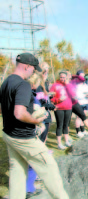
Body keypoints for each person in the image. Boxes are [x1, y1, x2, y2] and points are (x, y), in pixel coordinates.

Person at [0, 53, 69, 199]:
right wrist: (36, 120)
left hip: (9, 134)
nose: (33, 72)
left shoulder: (6, 81)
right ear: (26, 66)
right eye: (33, 68)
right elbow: (19, 113)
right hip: (23, 138)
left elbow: (3, 108)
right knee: (49, 167)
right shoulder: (23, 84)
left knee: (17, 171)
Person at [50, 71, 73, 150]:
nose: (62, 79)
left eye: (64, 77)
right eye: (61, 77)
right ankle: (59, 143)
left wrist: (67, 84)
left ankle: (66, 141)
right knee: (60, 125)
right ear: (59, 77)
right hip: (59, 108)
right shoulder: (54, 85)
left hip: (68, 108)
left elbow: (73, 93)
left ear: (67, 77)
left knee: (66, 125)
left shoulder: (69, 85)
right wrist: (58, 100)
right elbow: (51, 98)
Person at [35, 62, 56, 144]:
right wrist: (47, 105)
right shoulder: (37, 84)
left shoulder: (45, 83)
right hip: (39, 110)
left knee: (46, 129)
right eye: (44, 70)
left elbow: (45, 95)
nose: (46, 72)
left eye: (47, 69)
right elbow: (38, 98)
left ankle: (43, 149)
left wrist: (50, 95)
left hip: (46, 109)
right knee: (40, 131)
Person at [75, 70, 88, 137]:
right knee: (78, 117)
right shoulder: (76, 85)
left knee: (84, 117)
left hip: (85, 102)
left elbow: (87, 92)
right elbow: (76, 95)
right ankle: (78, 132)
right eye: (81, 76)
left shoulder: (85, 84)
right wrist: (84, 95)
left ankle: (83, 130)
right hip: (79, 103)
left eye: (83, 76)